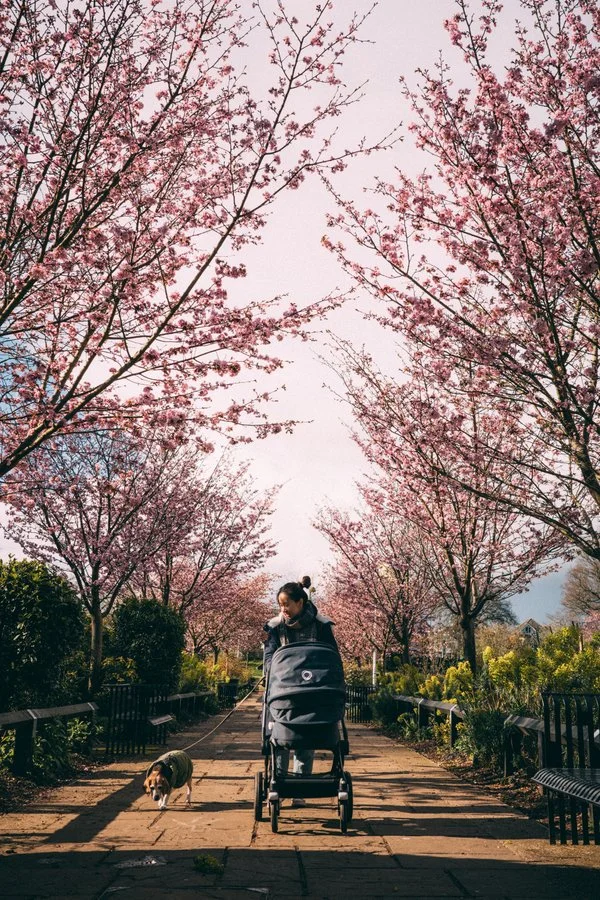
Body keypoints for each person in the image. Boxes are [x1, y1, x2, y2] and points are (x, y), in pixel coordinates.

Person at [263, 576, 339, 807]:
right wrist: (272, 672)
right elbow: (269, 656)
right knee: (281, 738)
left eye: (286, 604)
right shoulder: (276, 628)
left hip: (313, 690)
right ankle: (279, 782)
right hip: (283, 690)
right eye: (280, 604)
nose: (283, 609)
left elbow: (331, 657)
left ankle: (301, 787)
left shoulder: (321, 626)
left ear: (301, 603)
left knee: (307, 738)